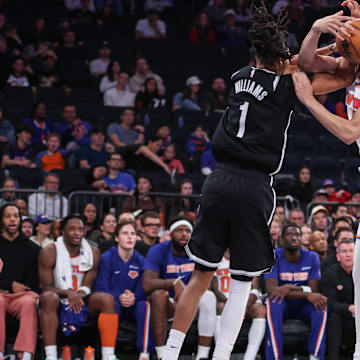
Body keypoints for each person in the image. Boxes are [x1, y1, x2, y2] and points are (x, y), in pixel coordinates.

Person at [161, 3, 302, 358]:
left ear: (253, 53)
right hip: (253, 185)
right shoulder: (287, 87)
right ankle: (222, 356)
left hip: (219, 181)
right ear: (281, 59)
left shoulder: (239, 77)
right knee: (242, 283)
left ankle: (171, 351)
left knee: (200, 276)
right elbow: (308, 66)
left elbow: (284, 63)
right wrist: (321, 34)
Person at [38, 214, 119, 360]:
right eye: (72, 229)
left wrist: (78, 294)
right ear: (63, 231)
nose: (77, 233)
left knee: (107, 299)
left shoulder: (93, 252)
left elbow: (88, 284)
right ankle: (50, 356)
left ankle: (109, 355)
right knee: (48, 298)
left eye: (81, 229)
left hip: (82, 296)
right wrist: (68, 293)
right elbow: (46, 287)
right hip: (58, 297)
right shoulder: (49, 251)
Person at [142, 216, 217, 360]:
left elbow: (207, 282)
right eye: (179, 230)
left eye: (188, 231)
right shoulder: (158, 250)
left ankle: (202, 355)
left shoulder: (198, 251)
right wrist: (174, 282)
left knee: (209, 297)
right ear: (170, 233)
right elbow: (147, 284)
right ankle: (162, 355)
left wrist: (186, 295)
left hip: (192, 301)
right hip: (169, 302)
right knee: (158, 295)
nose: (184, 234)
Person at [264, 224, 327, 360]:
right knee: (272, 302)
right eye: (290, 234)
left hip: (303, 305)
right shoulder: (273, 255)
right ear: (282, 238)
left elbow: (314, 291)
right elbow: (272, 290)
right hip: (283, 304)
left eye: (298, 235)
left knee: (321, 305)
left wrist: (288, 288)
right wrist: (305, 292)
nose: (294, 238)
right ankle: (274, 356)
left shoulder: (312, 257)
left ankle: (315, 356)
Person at [94, 220, 154, 360]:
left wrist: (134, 296)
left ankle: (144, 354)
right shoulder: (106, 258)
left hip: (133, 305)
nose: (130, 237)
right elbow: (100, 287)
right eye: (125, 233)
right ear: (116, 238)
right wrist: (119, 296)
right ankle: (109, 354)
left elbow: (143, 288)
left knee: (144, 305)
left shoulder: (141, 261)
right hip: (114, 304)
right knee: (110, 303)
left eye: (133, 234)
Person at [0, 204, 40, 360]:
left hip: (22, 296)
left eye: (16, 216)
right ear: (1, 220)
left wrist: (15, 288)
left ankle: (26, 355)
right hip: (1, 295)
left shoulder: (32, 248)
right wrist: (9, 285)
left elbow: (32, 282)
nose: (12, 220)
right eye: (8, 216)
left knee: (29, 302)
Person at [321, 238, 355, 360]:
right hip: (342, 315)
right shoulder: (330, 273)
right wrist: (349, 308)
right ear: (338, 256)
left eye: (351, 251)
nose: (348, 254)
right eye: (344, 251)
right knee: (335, 317)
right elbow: (328, 300)